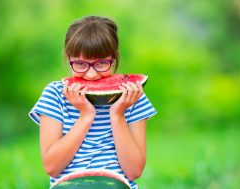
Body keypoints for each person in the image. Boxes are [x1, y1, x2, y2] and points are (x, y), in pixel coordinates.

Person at [28, 15, 157, 189]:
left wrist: (118, 115)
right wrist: (86, 116)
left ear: (114, 57)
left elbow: (134, 172)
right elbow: (51, 167)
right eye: (80, 64)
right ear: (68, 59)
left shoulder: (132, 97)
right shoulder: (55, 95)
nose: (91, 75)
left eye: (102, 63)